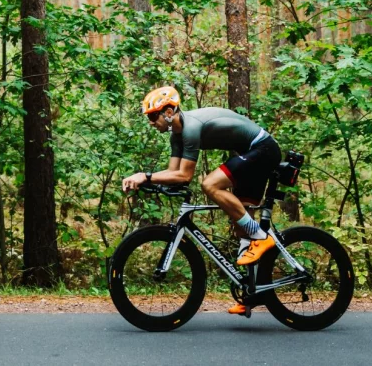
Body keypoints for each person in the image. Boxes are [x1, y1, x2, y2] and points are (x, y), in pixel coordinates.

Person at [121, 85, 283, 317]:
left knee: (210, 184)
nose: (150, 121)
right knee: (241, 225)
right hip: (251, 153)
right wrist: (146, 182)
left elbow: (185, 176)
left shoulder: (190, 128)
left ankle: (260, 236)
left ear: (169, 112)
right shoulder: (176, 138)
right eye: (149, 117)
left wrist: (144, 175)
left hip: (263, 149)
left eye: (153, 115)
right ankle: (252, 294)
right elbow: (173, 175)